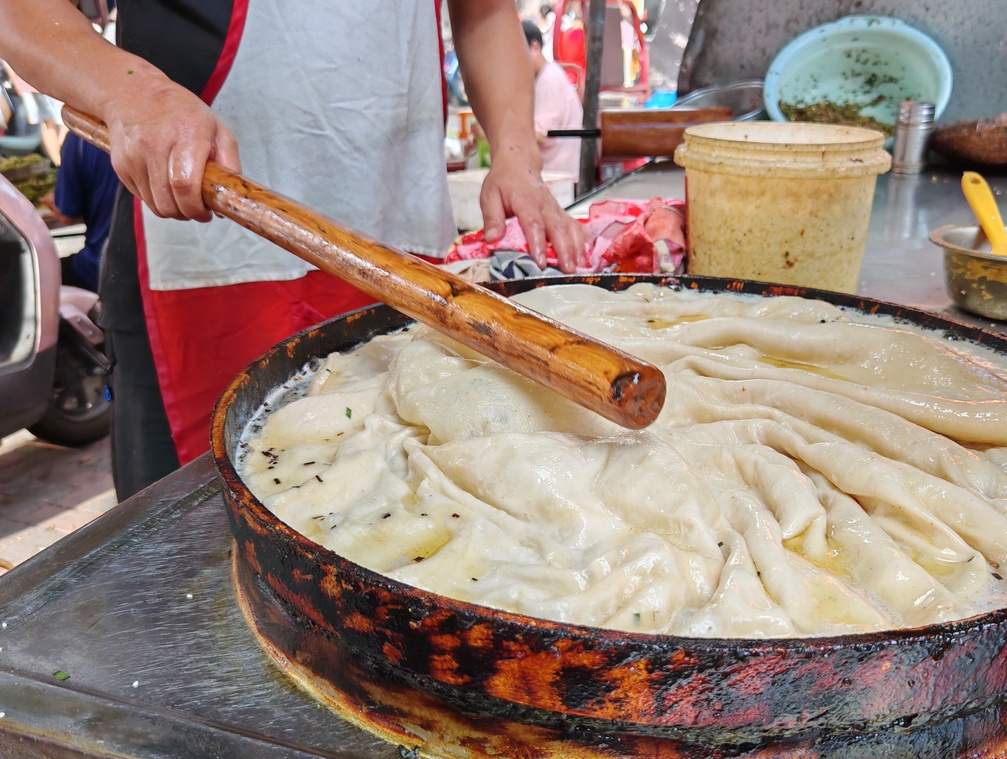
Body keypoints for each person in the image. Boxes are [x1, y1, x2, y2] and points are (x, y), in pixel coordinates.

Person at [0, 0, 590, 501]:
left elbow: (484, 11)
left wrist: (516, 158)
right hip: (205, 256)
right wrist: (135, 92)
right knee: (208, 557)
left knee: (410, 519)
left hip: (402, 251)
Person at [43, 131, 121, 293]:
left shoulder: (82, 136)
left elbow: (66, 214)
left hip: (101, 268)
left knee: (35, 279)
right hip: (161, 267)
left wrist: (53, 201)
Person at [522, 19, 585, 184]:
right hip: (556, 174)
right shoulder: (544, 77)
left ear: (534, 47)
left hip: (560, 178)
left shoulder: (548, 80)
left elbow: (541, 136)